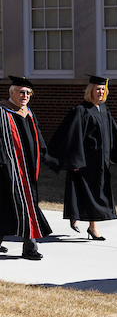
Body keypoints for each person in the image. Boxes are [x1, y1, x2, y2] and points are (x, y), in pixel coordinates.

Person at [46, 75, 117, 241]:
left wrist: (113, 154)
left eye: (103, 89)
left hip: (101, 162)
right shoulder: (80, 110)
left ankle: (90, 225)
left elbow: (112, 134)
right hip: (85, 161)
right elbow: (72, 135)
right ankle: (82, 220)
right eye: (97, 89)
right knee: (82, 190)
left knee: (97, 192)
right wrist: (74, 160)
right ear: (90, 90)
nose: (100, 92)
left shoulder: (104, 109)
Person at [0, 76, 52, 260]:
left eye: (28, 93)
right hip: (8, 168)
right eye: (21, 92)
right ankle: (30, 247)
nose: (25, 96)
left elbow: (37, 135)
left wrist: (46, 155)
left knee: (7, 206)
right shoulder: (2, 111)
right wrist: (2, 162)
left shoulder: (27, 112)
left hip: (28, 168)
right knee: (24, 205)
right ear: (11, 92)